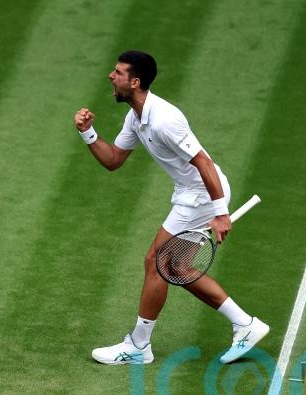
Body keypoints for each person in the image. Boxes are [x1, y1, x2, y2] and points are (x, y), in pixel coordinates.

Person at [74, 50, 268, 365]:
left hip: (201, 195)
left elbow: (203, 162)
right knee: (176, 267)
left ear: (135, 82)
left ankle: (139, 346)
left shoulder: (165, 120)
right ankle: (246, 325)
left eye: (118, 72)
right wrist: (87, 133)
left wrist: (220, 213)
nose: (111, 76)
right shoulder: (135, 117)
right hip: (191, 193)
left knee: (155, 261)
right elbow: (113, 160)